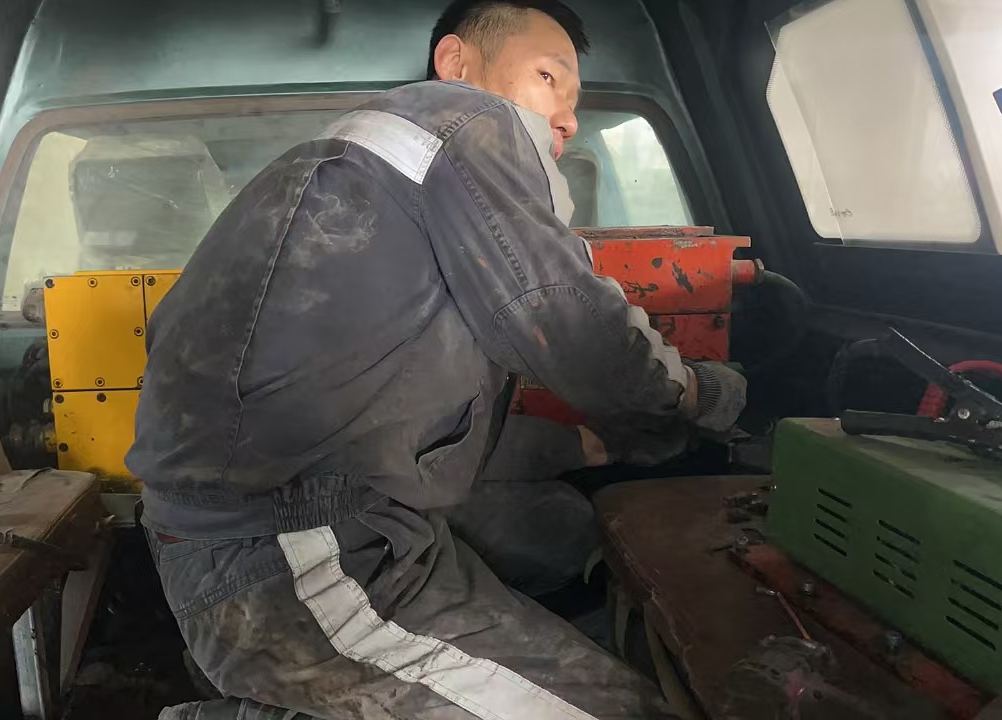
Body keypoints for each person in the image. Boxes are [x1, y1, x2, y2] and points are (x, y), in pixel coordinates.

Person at [126, 1, 747, 717]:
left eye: (577, 101)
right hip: (301, 552)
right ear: (456, 62)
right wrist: (696, 396)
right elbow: (567, 316)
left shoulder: (367, 192)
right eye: (549, 78)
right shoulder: (464, 120)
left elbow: (419, 428)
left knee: (562, 559)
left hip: (277, 534)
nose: (568, 119)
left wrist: (596, 444)